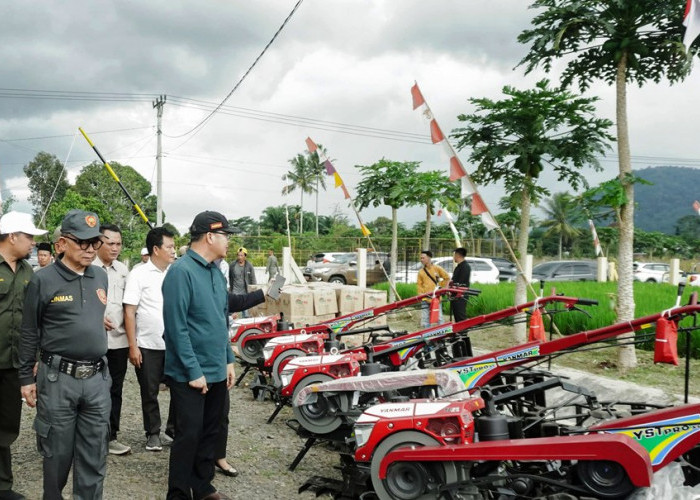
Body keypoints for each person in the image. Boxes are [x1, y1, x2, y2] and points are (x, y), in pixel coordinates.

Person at [19, 209, 111, 499]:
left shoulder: (100, 276)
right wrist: (25, 377)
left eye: (94, 243)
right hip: (58, 380)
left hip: (97, 379)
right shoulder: (43, 280)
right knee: (56, 454)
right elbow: (29, 331)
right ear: (61, 244)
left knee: (94, 455)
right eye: (81, 242)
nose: (89, 249)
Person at [162, 211, 237, 500]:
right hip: (190, 373)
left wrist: (228, 358)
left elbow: (220, 321)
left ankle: (203, 486)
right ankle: (179, 492)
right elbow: (176, 328)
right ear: (210, 236)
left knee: (211, 432)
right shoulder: (181, 272)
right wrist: (194, 371)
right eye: (225, 235)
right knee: (188, 435)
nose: (228, 241)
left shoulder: (215, 271)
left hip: (217, 368)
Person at [0, 212, 46, 500]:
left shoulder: (30, 273)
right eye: (29, 236)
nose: (32, 243)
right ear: (12, 236)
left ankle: (2, 485)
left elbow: (36, 320)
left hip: (14, 364)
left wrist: (36, 356)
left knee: (6, 426)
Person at [123, 227, 176, 452]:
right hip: (148, 345)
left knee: (181, 390)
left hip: (175, 344)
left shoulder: (176, 272)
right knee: (149, 391)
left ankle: (173, 430)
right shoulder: (139, 274)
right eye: (170, 247)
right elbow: (129, 311)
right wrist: (133, 346)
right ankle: (153, 433)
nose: (174, 251)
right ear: (156, 249)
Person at [93, 223, 132, 456]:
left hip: (119, 342)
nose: (115, 248)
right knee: (91, 390)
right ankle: (90, 437)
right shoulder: (88, 268)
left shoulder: (123, 270)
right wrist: (97, 318)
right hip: (93, 341)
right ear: (99, 243)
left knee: (114, 389)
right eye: (110, 243)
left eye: (118, 244)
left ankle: (111, 436)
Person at [416, 250, 449, 327]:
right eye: (420, 258)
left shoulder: (437, 268)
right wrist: (420, 295)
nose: (421, 260)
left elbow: (447, 278)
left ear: (429, 258)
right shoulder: (421, 272)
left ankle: (442, 333)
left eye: (423, 258)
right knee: (425, 318)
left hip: (436, 298)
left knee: (439, 317)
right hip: (424, 298)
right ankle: (426, 334)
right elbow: (419, 285)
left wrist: (440, 287)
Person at [228, 247, 256, 318]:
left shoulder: (249, 266)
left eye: (241, 255)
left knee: (245, 313)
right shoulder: (232, 265)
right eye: (238, 255)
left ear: (245, 256)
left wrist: (253, 290)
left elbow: (253, 278)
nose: (239, 257)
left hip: (245, 292)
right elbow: (230, 277)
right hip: (235, 292)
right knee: (233, 313)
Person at [451, 248, 471, 323]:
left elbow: (462, 283)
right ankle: (459, 332)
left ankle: (463, 333)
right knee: (456, 316)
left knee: (461, 316)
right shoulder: (458, 267)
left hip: (460, 295)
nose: (453, 257)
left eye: (454, 255)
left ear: (458, 255)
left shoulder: (465, 267)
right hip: (455, 295)